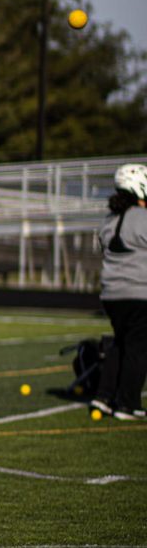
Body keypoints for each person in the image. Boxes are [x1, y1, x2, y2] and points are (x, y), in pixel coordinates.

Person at [90, 163, 147, 420]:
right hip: (139, 293)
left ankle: (103, 396)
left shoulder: (109, 220)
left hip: (111, 294)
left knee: (120, 344)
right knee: (137, 348)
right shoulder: (143, 219)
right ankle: (127, 404)